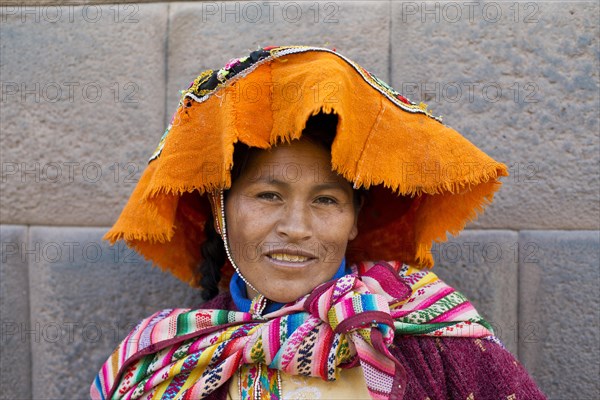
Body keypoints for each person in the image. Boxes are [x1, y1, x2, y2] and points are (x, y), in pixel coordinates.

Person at [91, 46, 546, 399]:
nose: (296, 226)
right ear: (220, 210)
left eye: (326, 200)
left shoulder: (429, 331)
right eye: (269, 195)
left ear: (354, 219)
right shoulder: (169, 359)